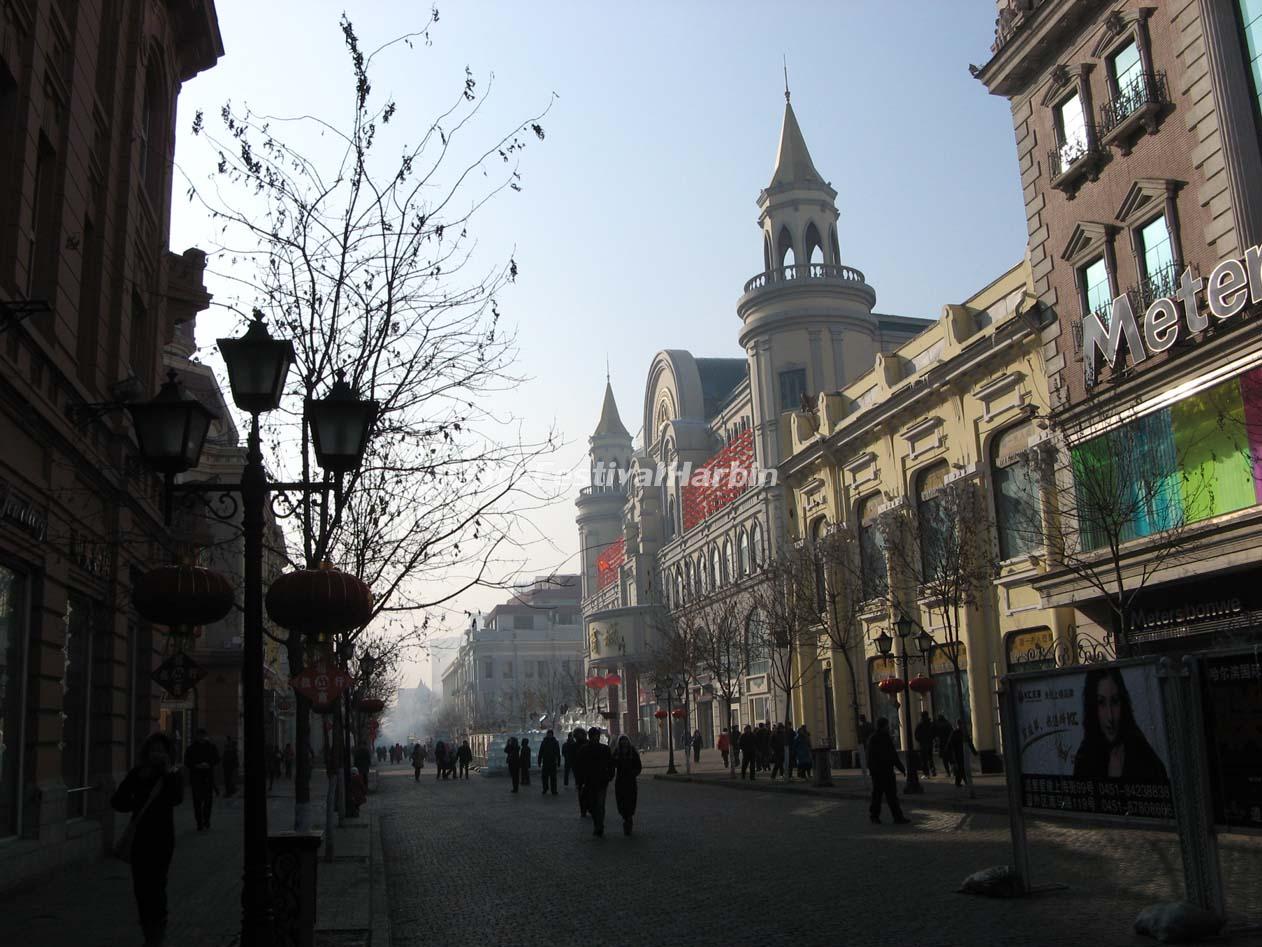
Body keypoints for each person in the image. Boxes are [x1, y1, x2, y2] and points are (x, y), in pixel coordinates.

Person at [112, 732, 184, 946]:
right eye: (153, 750)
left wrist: (169, 771)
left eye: (161, 751)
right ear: (146, 752)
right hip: (140, 839)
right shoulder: (137, 774)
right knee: (141, 889)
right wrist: (136, 801)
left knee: (158, 886)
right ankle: (148, 931)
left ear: (168, 754)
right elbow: (117, 802)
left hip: (162, 840)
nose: (157, 754)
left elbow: (176, 799)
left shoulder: (172, 775)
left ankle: (156, 936)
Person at [1073, 667, 1169, 783]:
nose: (1110, 717)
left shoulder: (1143, 756)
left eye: (1114, 701)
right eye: (1101, 703)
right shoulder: (1085, 758)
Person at [866, 718, 909, 824]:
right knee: (883, 795)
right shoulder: (878, 738)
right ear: (884, 726)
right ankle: (881, 816)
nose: (888, 727)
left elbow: (892, 755)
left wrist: (900, 767)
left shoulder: (877, 738)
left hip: (883, 771)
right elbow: (891, 755)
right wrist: (900, 767)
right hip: (882, 771)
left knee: (885, 795)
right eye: (887, 725)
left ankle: (894, 816)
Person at [577, 727, 614, 836]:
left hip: (601, 781)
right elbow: (579, 766)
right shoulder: (584, 750)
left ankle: (599, 826)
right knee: (593, 805)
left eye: (596, 736)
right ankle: (597, 823)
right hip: (589, 781)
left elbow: (610, 764)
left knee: (600, 804)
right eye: (593, 736)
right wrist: (580, 780)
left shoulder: (604, 749)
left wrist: (609, 776)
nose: (595, 738)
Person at [183, 729, 219, 831]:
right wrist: (196, 765)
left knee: (207, 801)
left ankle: (206, 820)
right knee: (197, 802)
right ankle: (199, 822)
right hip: (196, 778)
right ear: (197, 736)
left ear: (205, 736)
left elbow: (217, 759)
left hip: (207, 777)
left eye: (202, 735)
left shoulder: (211, 747)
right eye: (199, 736)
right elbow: (187, 762)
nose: (201, 737)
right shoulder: (191, 748)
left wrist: (208, 764)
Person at [612, 734, 643, 836]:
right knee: (621, 801)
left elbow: (638, 766)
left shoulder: (632, 752)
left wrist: (633, 773)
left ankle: (628, 820)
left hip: (630, 781)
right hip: (620, 781)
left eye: (625, 740)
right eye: (622, 740)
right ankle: (626, 818)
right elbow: (612, 764)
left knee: (630, 801)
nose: (623, 742)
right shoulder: (617, 752)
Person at [947, 719, 980, 789]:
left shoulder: (962, 733)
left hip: (963, 753)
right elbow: (950, 744)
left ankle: (959, 782)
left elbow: (970, 743)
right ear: (958, 725)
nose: (962, 726)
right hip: (957, 753)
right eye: (961, 724)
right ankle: (965, 782)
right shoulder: (955, 733)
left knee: (962, 768)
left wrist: (974, 752)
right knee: (961, 768)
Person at [571, 728, 589, 816]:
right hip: (584, 773)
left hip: (581, 773)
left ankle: (584, 809)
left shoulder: (574, 746)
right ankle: (585, 808)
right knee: (585, 792)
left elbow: (573, 761)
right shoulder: (588, 744)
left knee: (581, 792)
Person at [538, 729, 561, 796]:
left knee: (553, 777)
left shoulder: (555, 742)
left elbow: (558, 752)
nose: (549, 735)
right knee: (544, 777)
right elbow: (541, 752)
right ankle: (545, 788)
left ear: (552, 734)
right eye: (548, 734)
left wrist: (558, 761)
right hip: (545, 761)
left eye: (550, 734)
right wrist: (539, 761)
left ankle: (553, 790)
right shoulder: (544, 742)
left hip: (552, 761)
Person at [914, 711, 936, 778]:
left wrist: (920, 740)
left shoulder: (920, 725)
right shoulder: (930, 724)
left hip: (923, 744)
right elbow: (933, 733)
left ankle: (926, 774)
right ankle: (933, 770)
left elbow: (916, 735)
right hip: (929, 743)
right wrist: (931, 739)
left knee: (924, 759)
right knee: (930, 758)